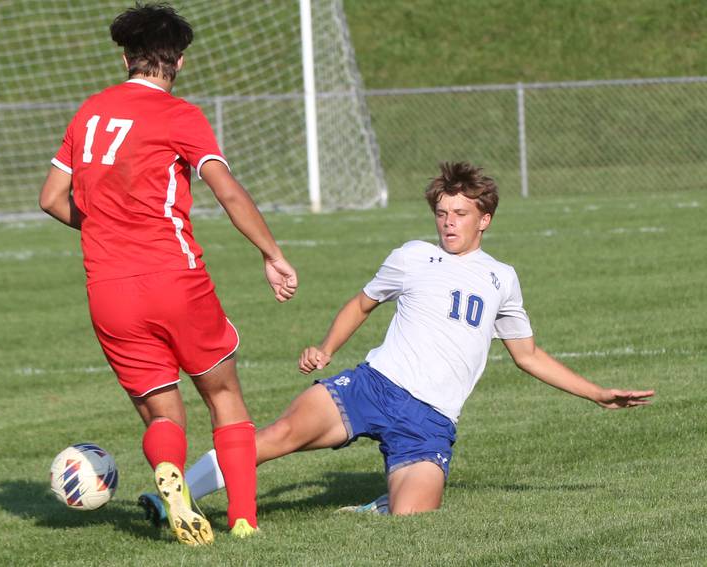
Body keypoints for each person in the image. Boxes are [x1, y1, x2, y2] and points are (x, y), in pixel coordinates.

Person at [182, 161, 655, 516]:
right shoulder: (411, 256)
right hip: (374, 386)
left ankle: (381, 502)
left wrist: (597, 394)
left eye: (460, 214)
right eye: (442, 212)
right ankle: (174, 495)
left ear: (484, 219)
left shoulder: (501, 279)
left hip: (430, 422)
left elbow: (527, 355)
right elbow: (362, 303)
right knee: (277, 436)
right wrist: (327, 349)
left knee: (413, 518)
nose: (448, 222)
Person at [39, 3, 297, 545]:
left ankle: (170, 480)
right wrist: (271, 254)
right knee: (224, 394)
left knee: (162, 408)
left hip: (108, 288)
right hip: (174, 277)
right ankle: (245, 519)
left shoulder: (89, 113)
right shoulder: (181, 115)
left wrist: (106, 227)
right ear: (177, 60)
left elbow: (50, 199)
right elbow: (226, 190)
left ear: (127, 55)